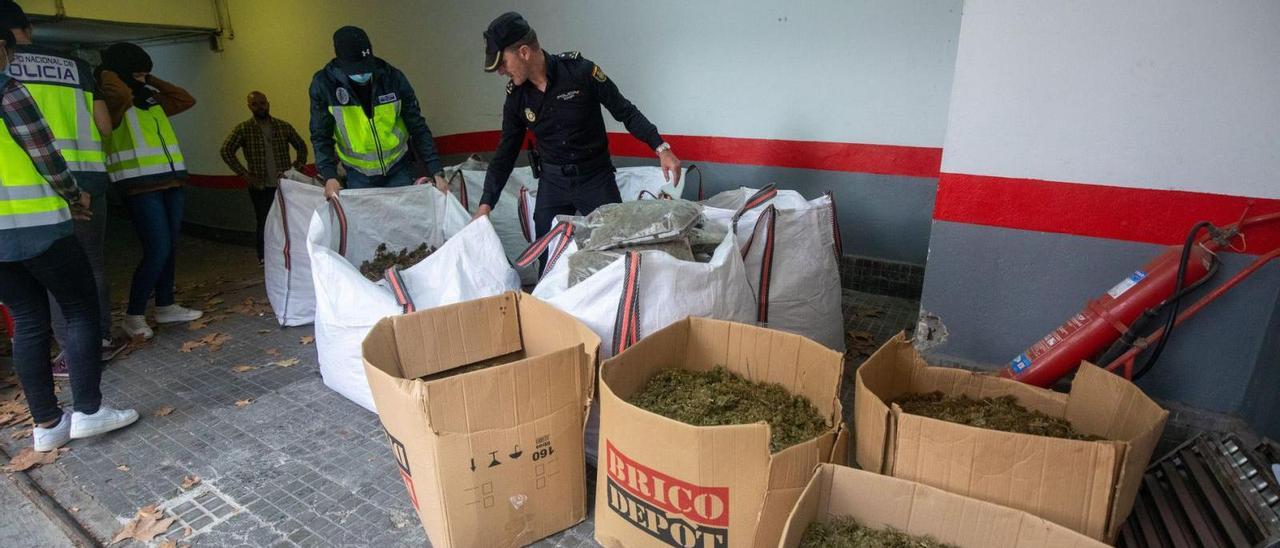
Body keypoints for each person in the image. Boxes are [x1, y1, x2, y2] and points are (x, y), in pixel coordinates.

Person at [0, 27, 138, 452]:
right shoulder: (8, 91)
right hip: (39, 225)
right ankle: (90, 412)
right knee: (79, 308)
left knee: (26, 319)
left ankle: (46, 425)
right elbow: (43, 153)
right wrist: (74, 195)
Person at [475, 12, 682, 245]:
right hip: (552, 182)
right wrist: (486, 204)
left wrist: (661, 147)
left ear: (524, 52)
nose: (502, 72)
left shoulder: (581, 72)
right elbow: (505, 153)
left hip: (595, 178)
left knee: (614, 247)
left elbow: (625, 111)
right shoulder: (516, 97)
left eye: (503, 63)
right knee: (546, 255)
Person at [1, 1, 125, 371]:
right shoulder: (76, 66)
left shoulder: (8, 73)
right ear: (28, 29)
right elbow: (104, 126)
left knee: (30, 299)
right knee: (88, 269)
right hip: (81, 181)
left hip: (20, 194)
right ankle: (99, 341)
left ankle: (65, 358)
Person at [98, 42, 202, 340]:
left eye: (147, 73)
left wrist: (149, 79)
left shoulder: (150, 100)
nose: (144, 78)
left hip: (172, 180)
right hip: (138, 184)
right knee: (157, 249)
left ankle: (166, 305)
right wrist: (110, 72)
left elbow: (185, 99)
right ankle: (133, 314)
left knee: (169, 247)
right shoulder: (114, 100)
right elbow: (121, 93)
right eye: (139, 72)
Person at [309, 26, 448, 199]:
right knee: (369, 225)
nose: (362, 73)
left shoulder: (392, 78)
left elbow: (417, 126)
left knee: (407, 220)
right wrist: (330, 176)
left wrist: (436, 169)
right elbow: (320, 136)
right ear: (341, 62)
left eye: (366, 66)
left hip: (399, 168)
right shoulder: (324, 86)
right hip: (358, 174)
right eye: (356, 69)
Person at [219, 91, 308, 264]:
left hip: (285, 184)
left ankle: (291, 253)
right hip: (260, 186)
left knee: (288, 219)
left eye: (262, 103)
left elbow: (301, 146)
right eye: (255, 104)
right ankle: (264, 257)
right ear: (249, 107)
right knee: (265, 221)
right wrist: (244, 174)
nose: (259, 107)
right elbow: (226, 150)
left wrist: (296, 168)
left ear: (268, 103)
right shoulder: (244, 129)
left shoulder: (283, 126)